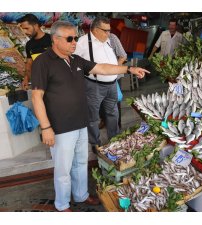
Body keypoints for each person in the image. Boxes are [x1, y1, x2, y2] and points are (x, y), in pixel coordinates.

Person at [31, 21, 149, 212]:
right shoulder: (42, 62)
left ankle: (81, 195)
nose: (74, 42)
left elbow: (102, 68)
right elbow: (37, 97)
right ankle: (62, 205)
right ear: (55, 39)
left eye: (75, 38)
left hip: (80, 122)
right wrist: (46, 127)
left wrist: (129, 69)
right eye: (70, 39)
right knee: (63, 169)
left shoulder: (75, 59)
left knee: (80, 162)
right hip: (60, 126)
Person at [74, 16, 123, 153]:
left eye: (109, 30)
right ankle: (95, 144)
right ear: (95, 29)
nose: (108, 34)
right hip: (94, 85)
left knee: (113, 113)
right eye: (105, 30)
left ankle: (115, 140)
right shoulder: (82, 43)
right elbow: (74, 63)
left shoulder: (108, 40)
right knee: (93, 117)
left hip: (112, 84)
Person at [98, 32, 127, 130]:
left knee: (115, 100)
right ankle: (104, 120)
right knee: (100, 100)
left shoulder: (112, 38)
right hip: (99, 76)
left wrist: (112, 69)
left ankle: (117, 125)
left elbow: (123, 56)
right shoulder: (90, 40)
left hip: (114, 75)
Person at [17, 14, 52, 90]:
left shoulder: (52, 39)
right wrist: (26, 78)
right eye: (23, 29)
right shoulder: (29, 44)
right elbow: (29, 64)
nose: (25, 32)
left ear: (35, 26)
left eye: (27, 28)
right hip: (40, 85)